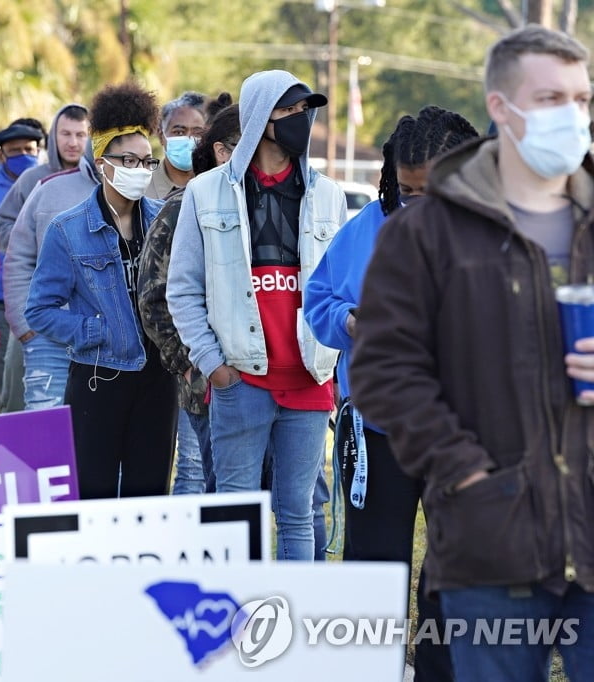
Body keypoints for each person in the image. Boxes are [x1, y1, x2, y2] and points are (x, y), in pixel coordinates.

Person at [350, 25, 594, 681]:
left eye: (582, 99)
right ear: (500, 108)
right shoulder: (425, 232)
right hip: (493, 546)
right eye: (550, 99)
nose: (571, 117)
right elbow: (382, 367)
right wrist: (466, 475)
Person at [305, 105, 478, 681]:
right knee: (373, 570)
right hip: (378, 434)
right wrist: (351, 321)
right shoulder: (369, 227)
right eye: (406, 190)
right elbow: (320, 300)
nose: (415, 203)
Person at [167, 70, 346, 560]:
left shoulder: (329, 195)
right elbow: (182, 289)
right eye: (290, 111)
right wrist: (215, 367)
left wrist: (331, 362)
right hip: (240, 380)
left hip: (309, 381)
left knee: (298, 515)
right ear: (262, 118)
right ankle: (236, 625)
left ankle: (295, 626)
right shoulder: (206, 193)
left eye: (306, 111)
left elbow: (341, 287)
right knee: (235, 515)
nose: (302, 120)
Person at [26, 82, 175, 499]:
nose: (140, 170)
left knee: (149, 496)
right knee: (93, 495)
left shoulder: (163, 220)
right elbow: (39, 309)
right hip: (98, 376)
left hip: (158, 377)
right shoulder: (68, 229)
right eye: (128, 160)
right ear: (102, 160)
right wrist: (91, 331)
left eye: (147, 161)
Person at [138, 96, 236, 496]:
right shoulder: (182, 206)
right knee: (200, 476)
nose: (187, 139)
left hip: (252, 381)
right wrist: (192, 363)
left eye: (196, 130)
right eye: (179, 131)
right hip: (202, 378)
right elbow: (156, 297)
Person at [0, 104, 89, 412]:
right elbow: (0, 224)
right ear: (53, 136)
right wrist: (34, 239)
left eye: (80, 134)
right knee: (18, 397)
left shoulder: (101, 182)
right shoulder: (34, 178)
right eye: (65, 134)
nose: (73, 142)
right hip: (35, 312)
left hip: (83, 321)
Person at [0, 119, 45, 414]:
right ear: (1, 156)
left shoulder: (48, 184)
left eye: (29, 149)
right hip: (1, 306)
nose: (23, 155)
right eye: (15, 151)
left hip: (45, 303)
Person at [147, 92, 207, 200]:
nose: (189, 139)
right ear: (161, 136)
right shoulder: (142, 187)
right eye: (179, 132)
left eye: (197, 133)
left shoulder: (215, 185)